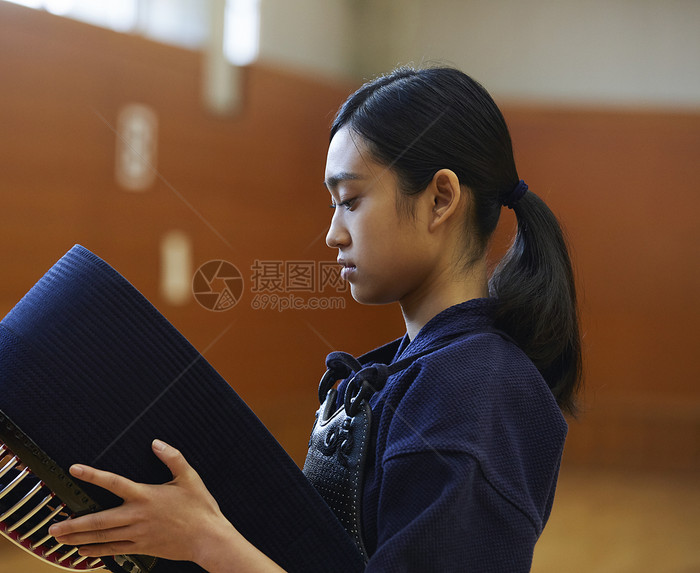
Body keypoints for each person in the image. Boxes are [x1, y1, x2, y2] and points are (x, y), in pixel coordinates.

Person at [48, 66, 582, 572]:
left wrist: (207, 540)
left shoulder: (474, 392)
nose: (333, 233)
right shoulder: (430, 373)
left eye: (350, 199)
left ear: (440, 198)